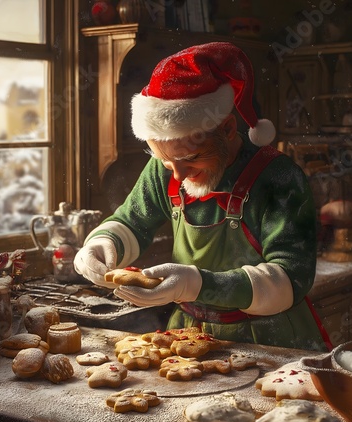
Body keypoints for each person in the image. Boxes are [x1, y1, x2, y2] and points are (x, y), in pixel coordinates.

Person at [74, 42, 332, 352]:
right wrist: (102, 244)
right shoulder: (165, 168)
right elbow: (131, 221)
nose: (178, 176)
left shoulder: (279, 178)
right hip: (188, 335)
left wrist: (197, 284)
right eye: (167, 162)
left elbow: (291, 278)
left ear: (227, 129)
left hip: (269, 340)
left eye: (192, 159)